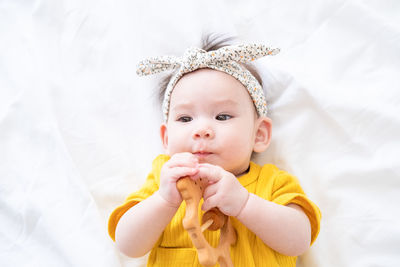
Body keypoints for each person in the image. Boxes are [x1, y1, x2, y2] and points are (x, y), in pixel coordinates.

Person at [108, 35, 321, 266]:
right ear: (166, 139)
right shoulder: (163, 179)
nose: (201, 130)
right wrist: (164, 201)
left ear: (259, 135)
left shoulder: (272, 182)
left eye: (222, 116)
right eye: (185, 118)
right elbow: (127, 245)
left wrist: (244, 203)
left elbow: (300, 240)